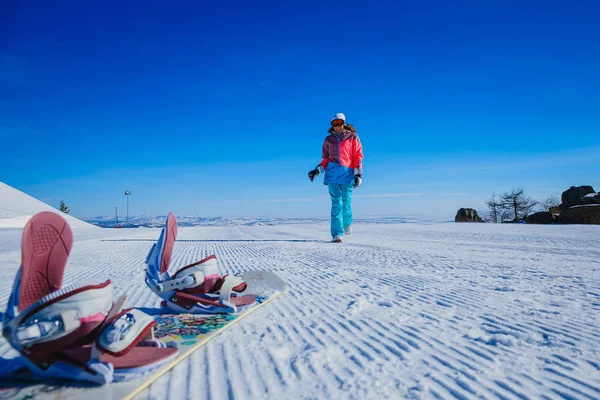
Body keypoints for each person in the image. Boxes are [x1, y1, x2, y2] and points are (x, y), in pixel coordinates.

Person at [308, 113, 364, 243]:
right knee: (336, 204)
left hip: (347, 173)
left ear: (344, 123)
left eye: (339, 123)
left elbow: (358, 156)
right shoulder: (328, 140)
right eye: (334, 124)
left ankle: (347, 223)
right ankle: (337, 234)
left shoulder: (352, 137)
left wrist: (358, 174)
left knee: (346, 202)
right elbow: (326, 159)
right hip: (332, 175)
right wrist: (317, 171)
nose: (337, 126)